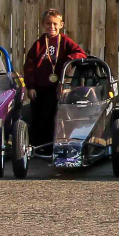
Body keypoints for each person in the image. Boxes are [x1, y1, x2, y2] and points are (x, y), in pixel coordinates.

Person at [23, 9, 88, 147]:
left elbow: (81, 53)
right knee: (38, 118)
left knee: (55, 117)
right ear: (43, 24)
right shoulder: (38, 44)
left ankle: (53, 147)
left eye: (55, 24)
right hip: (39, 89)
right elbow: (29, 67)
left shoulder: (65, 42)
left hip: (57, 88)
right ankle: (37, 148)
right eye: (48, 24)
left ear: (61, 25)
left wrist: (69, 60)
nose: (51, 27)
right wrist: (31, 87)